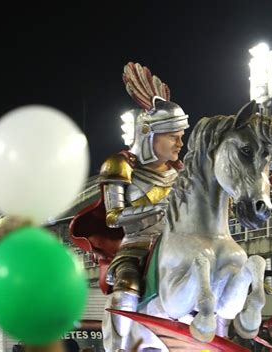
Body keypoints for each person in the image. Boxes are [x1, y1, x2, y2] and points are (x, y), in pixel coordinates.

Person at [70, 61, 189, 351]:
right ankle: (121, 345)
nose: (179, 143)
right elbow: (114, 217)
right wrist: (159, 207)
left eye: (181, 136)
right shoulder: (120, 165)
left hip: (179, 244)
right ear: (151, 134)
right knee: (126, 291)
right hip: (137, 245)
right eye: (173, 136)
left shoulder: (181, 170)